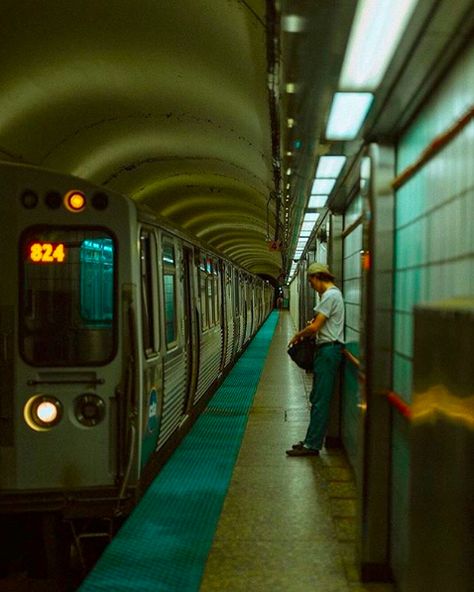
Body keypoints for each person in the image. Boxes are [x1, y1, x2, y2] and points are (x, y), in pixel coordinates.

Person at [286, 262, 344, 456]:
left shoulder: (330, 296)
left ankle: (312, 445)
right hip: (327, 351)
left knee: (319, 400)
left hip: (328, 351)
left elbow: (315, 327)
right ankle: (312, 439)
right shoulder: (332, 295)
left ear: (318, 278)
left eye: (311, 282)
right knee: (317, 397)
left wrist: (298, 336)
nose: (312, 286)